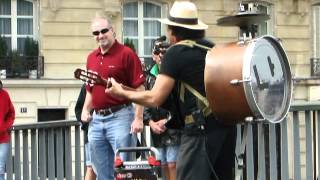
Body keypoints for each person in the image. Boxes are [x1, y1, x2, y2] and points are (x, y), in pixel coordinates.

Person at [106, 1, 236, 180]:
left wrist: (121, 93)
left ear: (174, 31)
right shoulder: (209, 47)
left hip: (199, 129)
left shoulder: (176, 52)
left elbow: (154, 98)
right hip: (224, 126)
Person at [81, 14, 145, 180]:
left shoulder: (127, 54)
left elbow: (140, 88)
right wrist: (85, 110)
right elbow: (90, 89)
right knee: (101, 173)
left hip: (121, 118)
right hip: (96, 121)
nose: (100, 35)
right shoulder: (91, 58)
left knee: (124, 173)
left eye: (103, 31)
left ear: (112, 30)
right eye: (96, 33)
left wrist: (138, 118)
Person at [143, 51, 181, 180]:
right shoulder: (149, 77)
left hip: (173, 127)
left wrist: (168, 120)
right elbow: (145, 104)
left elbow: (180, 103)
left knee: (172, 163)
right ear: (153, 55)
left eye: (164, 52)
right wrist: (151, 123)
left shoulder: (176, 74)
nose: (160, 56)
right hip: (157, 130)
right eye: (157, 52)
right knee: (162, 164)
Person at [75, 84, 96, 180]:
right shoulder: (88, 85)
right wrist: (86, 122)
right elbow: (78, 110)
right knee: (91, 166)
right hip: (92, 132)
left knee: (117, 165)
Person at [0, 80, 15, 180]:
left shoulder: (5, 95)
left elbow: (11, 113)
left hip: (3, 137)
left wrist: (5, 126)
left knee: (0, 167)